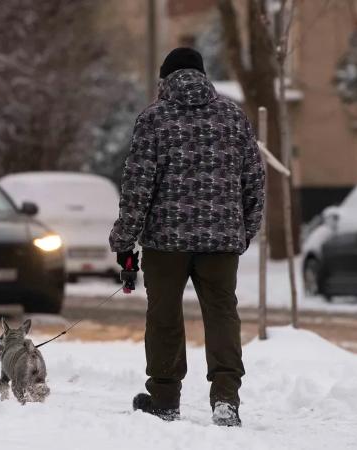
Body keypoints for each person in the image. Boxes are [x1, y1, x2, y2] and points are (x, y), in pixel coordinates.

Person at [109, 47, 265, 427]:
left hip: (166, 240)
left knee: (164, 316)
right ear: (202, 75)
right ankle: (226, 399)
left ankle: (164, 399)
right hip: (221, 239)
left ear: (165, 79)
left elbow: (138, 187)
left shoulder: (154, 119)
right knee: (222, 315)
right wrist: (244, 230)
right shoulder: (233, 116)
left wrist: (124, 241)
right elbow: (254, 179)